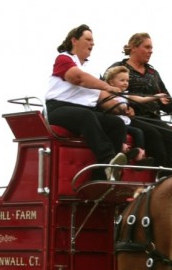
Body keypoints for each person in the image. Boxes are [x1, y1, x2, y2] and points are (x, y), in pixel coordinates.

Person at [45, 24, 127, 181]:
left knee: (116, 124)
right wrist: (107, 86)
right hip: (57, 109)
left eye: (93, 41)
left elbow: (103, 97)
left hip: (82, 112)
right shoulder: (64, 59)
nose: (92, 43)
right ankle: (109, 161)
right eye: (88, 39)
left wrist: (122, 108)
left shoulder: (92, 69)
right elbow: (78, 78)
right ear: (74, 40)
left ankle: (101, 176)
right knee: (86, 116)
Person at [108, 32, 172, 171]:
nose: (151, 51)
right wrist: (123, 107)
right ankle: (160, 175)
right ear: (133, 47)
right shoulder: (119, 68)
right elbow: (108, 91)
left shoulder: (152, 73)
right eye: (147, 47)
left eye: (151, 48)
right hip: (132, 117)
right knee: (154, 135)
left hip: (154, 118)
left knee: (170, 135)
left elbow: (164, 97)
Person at [99, 65, 163, 166]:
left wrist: (155, 97)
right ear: (111, 82)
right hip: (117, 123)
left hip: (126, 122)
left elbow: (141, 99)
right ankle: (123, 148)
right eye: (122, 80)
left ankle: (140, 155)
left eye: (127, 81)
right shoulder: (107, 93)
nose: (125, 83)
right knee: (121, 129)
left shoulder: (125, 95)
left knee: (138, 132)